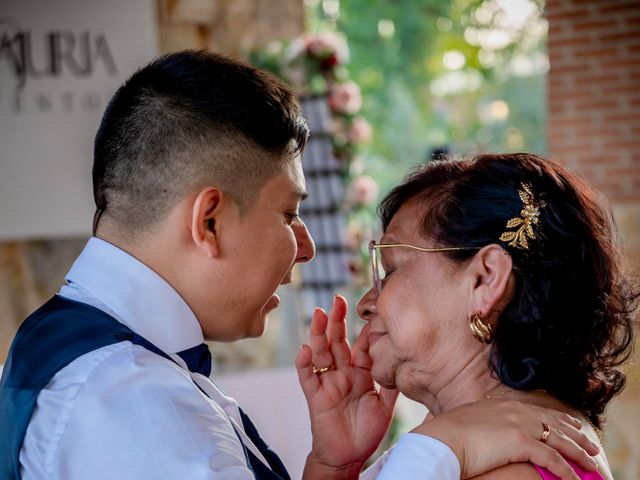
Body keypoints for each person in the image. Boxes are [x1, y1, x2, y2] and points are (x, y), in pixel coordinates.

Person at [0, 51, 600, 480]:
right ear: (209, 223)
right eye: (288, 212)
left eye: (390, 271)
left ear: (486, 279)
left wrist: (332, 467)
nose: (307, 246)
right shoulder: (125, 403)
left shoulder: (90, 365)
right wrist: (439, 449)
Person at [298, 153, 637, 479]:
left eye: (390, 270)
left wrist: (434, 449)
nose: (365, 304)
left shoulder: (510, 469)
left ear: (486, 279)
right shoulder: (497, 444)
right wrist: (335, 469)